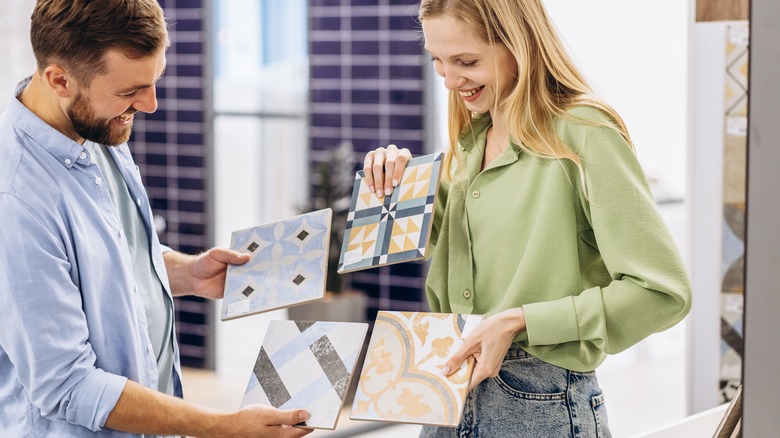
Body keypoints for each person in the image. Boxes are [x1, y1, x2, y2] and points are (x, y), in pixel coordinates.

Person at [363, 0, 692, 436]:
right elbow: (426, 246)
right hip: (447, 391)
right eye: (437, 61)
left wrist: (521, 320)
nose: (450, 80)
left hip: (540, 401)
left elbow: (663, 293)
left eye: (467, 61)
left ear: (520, 44)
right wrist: (394, 185)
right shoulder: (472, 139)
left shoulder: (584, 133)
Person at [0, 1, 310, 437]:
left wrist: (185, 273)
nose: (150, 104)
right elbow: (66, 385)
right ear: (59, 79)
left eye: (153, 82)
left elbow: (102, 258)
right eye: (130, 91)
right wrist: (223, 426)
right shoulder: (15, 199)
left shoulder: (95, 128)